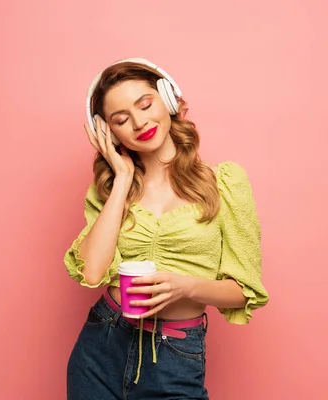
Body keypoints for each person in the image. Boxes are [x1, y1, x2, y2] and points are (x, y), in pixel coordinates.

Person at [64, 57, 269, 400]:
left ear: (169, 99)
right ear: (110, 133)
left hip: (175, 355)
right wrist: (123, 178)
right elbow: (92, 270)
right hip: (101, 345)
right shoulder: (111, 189)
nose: (139, 122)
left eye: (145, 104)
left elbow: (244, 292)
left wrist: (185, 287)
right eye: (121, 119)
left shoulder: (224, 184)